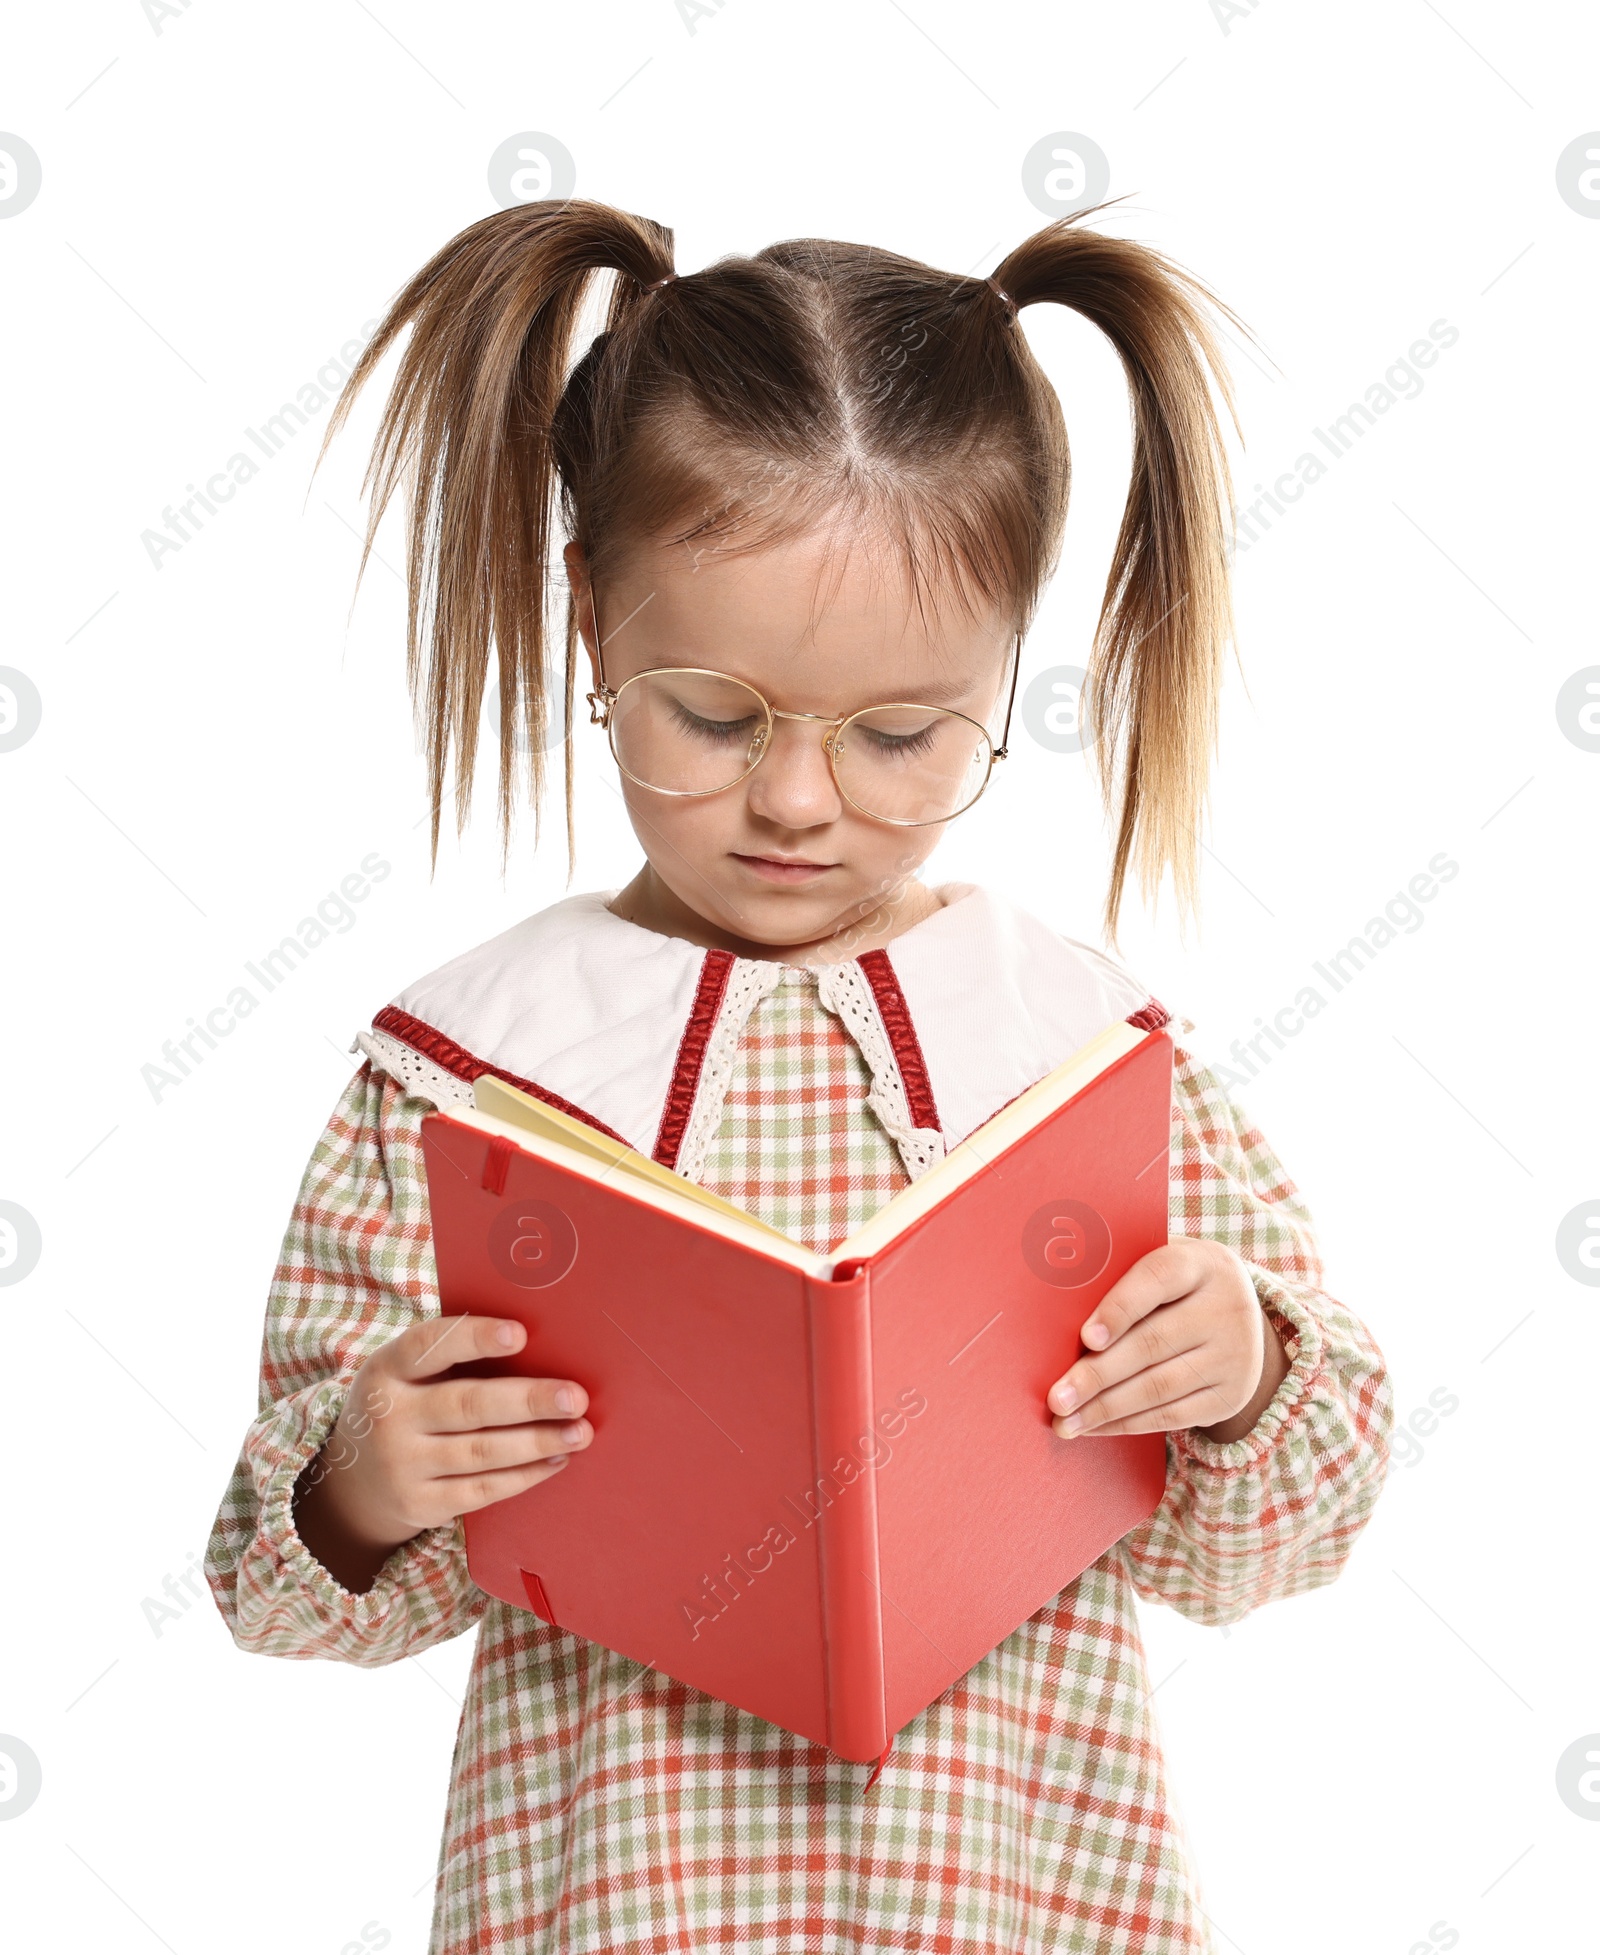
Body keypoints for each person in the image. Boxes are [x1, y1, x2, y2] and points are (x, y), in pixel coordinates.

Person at [205, 199, 1392, 1953]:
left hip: (1022, 1906)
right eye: (715, 712)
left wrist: (1241, 1368)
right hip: (615, 1910)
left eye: (904, 735)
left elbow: (1273, 1548)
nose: (797, 802)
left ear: (1005, 675)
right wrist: (368, 1477)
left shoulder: (1078, 1053)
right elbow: (282, 1599)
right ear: (594, 615)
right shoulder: (462, 1081)